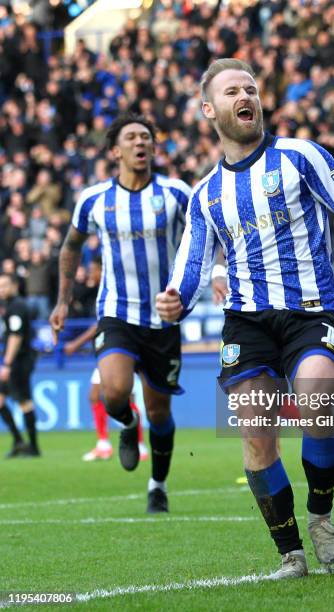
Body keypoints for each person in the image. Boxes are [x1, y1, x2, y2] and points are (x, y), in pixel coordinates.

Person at [157, 59, 334, 578]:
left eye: (250, 88)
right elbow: (192, 258)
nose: (245, 95)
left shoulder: (301, 157)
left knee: (318, 394)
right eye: (232, 90)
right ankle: (290, 553)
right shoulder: (206, 192)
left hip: (308, 311)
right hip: (247, 323)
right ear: (210, 109)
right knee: (255, 432)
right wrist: (176, 298)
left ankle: (321, 519)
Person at [50, 113, 191, 514]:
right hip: (116, 312)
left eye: (146, 137)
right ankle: (128, 426)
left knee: (160, 411)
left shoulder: (176, 193)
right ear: (116, 150)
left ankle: (158, 485)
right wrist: (63, 300)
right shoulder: (94, 199)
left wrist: (213, 273)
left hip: (164, 317)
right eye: (131, 137)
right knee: (112, 391)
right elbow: (71, 246)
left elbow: (205, 234)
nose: (140, 142)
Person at [63, 323, 149, 462]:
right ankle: (104, 445)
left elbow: (97, 326)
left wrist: (76, 344)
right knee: (95, 396)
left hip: (123, 348)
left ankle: (139, 445)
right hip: (111, 348)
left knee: (128, 399)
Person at [0, 273, 40, 458]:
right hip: (14, 360)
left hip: (19, 361)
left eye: (4, 285)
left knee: (24, 402)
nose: (1, 290)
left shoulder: (16, 306)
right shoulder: (9, 305)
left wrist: (7, 364)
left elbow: (16, 336)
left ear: (14, 285)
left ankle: (33, 447)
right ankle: (18, 441)